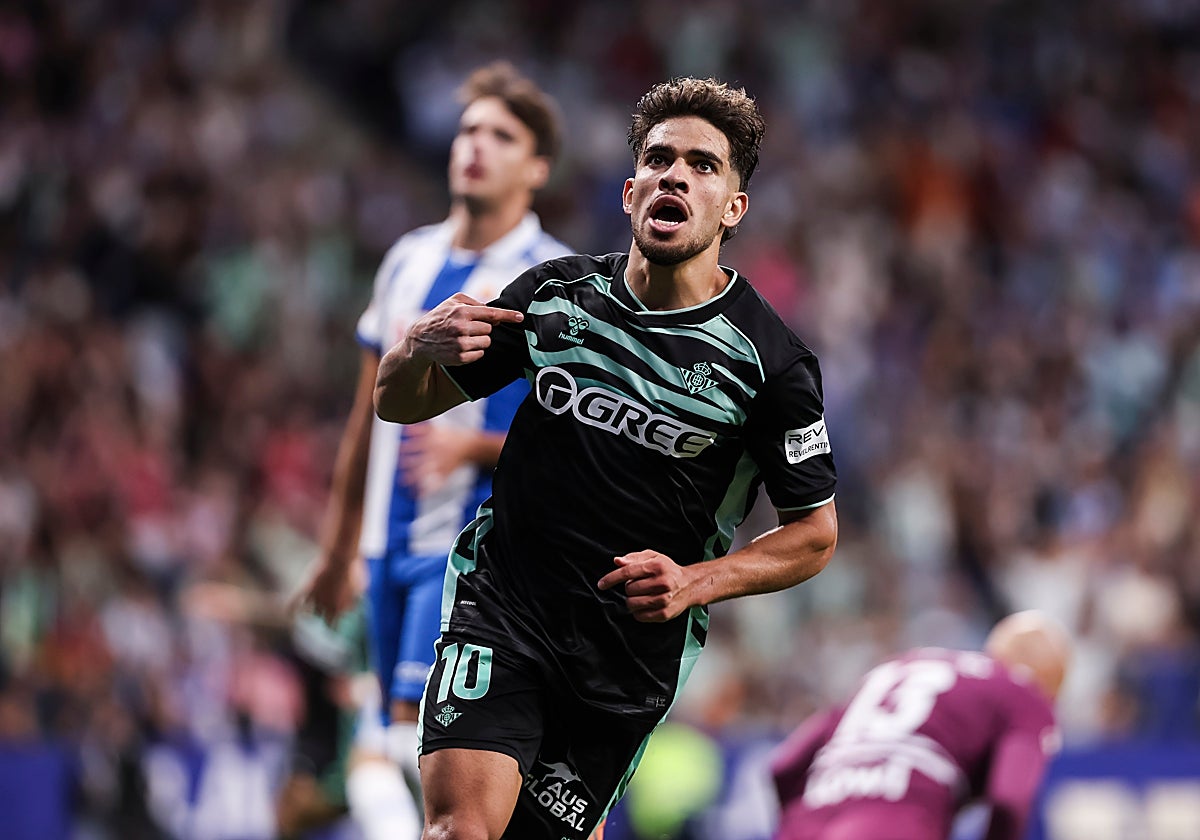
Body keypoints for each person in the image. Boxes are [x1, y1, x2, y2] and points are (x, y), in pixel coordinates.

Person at [373, 76, 840, 840]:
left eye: (702, 164)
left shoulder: (772, 365)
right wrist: (413, 346)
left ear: (733, 208)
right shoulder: (554, 300)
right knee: (458, 831)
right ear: (631, 192)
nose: (675, 175)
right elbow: (401, 401)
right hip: (505, 609)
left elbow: (815, 534)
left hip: (625, 662)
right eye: (659, 158)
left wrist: (697, 581)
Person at [295, 61, 572, 839]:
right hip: (387, 547)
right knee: (396, 745)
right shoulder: (406, 262)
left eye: (501, 136)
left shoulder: (550, 279)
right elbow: (364, 418)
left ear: (536, 166)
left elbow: (572, 433)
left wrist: (476, 449)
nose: (475, 147)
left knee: (425, 749)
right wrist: (338, 544)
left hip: (472, 558)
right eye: (468, 131)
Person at [769, 610, 1072, 840]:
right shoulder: (1024, 694)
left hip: (804, 823)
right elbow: (1008, 801)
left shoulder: (896, 668)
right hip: (898, 823)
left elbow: (783, 768)